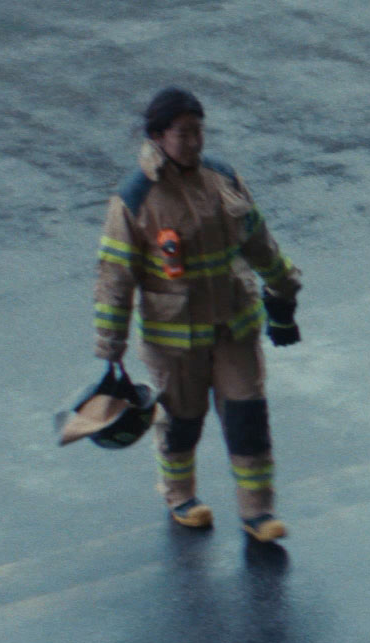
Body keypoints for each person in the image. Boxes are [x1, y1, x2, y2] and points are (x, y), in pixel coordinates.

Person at [92, 87, 303, 543]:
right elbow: (115, 277)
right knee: (182, 419)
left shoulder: (222, 177)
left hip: (235, 326)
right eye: (184, 133)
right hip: (175, 340)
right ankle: (180, 495)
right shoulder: (135, 198)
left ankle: (257, 511)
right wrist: (111, 349)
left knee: (248, 415)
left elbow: (258, 241)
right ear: (157, 136)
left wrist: (283, 287)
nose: (194, 142)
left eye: (198, 132)